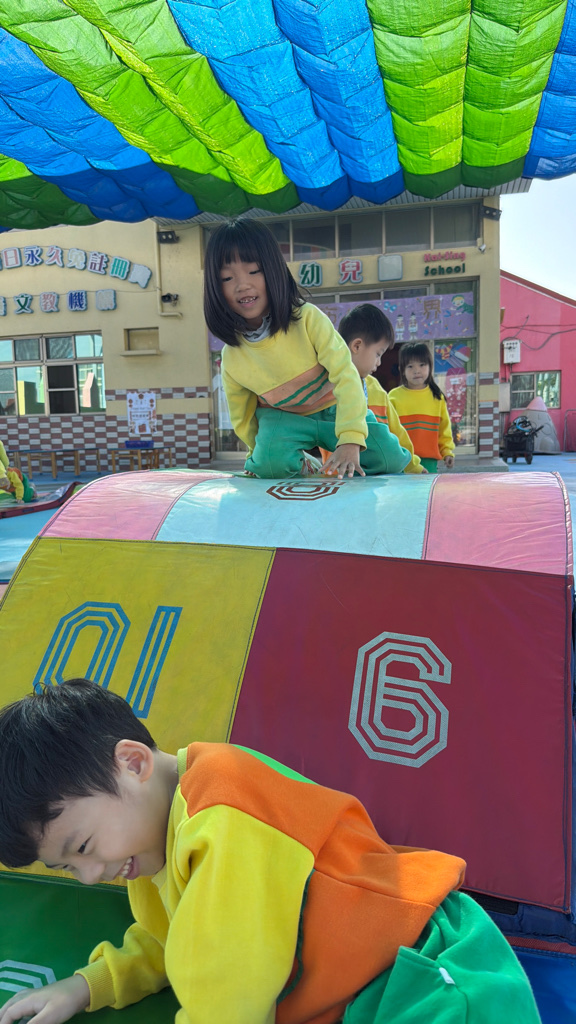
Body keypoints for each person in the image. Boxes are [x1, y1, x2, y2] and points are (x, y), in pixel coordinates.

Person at [0, 680, 541, 1024]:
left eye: (83, 848)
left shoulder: (223, 810)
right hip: (353, 994)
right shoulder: (150, 838)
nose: (89, 875)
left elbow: (226, 995)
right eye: (67, 866)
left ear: (133, 763)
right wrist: (87, 985)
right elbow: (178, 937)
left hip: (423, 973)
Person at [203, 219, 410, 479]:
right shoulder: (232, 356)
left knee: (390, 459)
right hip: (284, 418)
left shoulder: (308, 318)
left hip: (334, 407)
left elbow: (346, 375)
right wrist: (259, 453)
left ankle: (357, 453)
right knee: (269, 467)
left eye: (254, 271)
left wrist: (350, 438)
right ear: (215, 287)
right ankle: (307, 465)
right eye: (227, 277)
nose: (242, 285)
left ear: (274, 270)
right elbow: (242, 416)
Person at [321, 305, 425, 474]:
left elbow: (396, 431)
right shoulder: (326, 388)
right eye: (378, 354)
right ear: (357, 346)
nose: (379, 362)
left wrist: (413, 466)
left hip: (380, 481)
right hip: (340, 478)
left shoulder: (375, 389)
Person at [389, 342, 455, 473]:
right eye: (410, 366)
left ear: (430, 366)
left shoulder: (437, 397)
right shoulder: (393, 397)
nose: (417, 370)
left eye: (422, 365)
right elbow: (388, 431)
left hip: (429, 462)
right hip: (402, 461)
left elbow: (444, 429)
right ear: (402, 370)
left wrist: (447, 451)